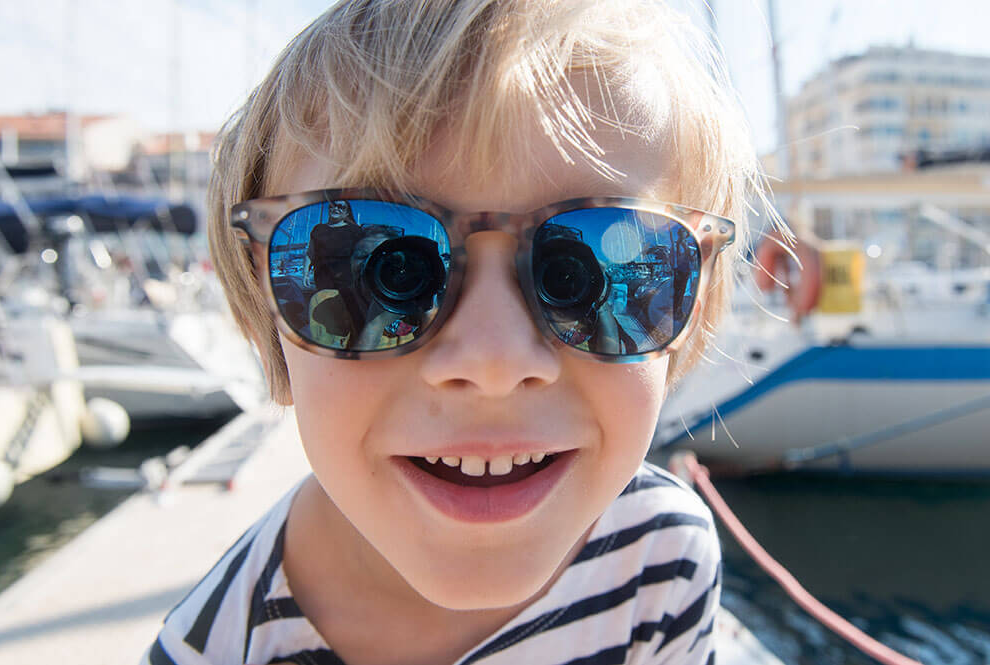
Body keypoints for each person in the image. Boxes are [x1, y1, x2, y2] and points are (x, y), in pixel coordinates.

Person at [144, 1, 779, 663]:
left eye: (585, 269)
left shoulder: (661, 559)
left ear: (690, 313)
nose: (494, 360)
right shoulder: (216, 649)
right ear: (267, 312)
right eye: (386, 267)